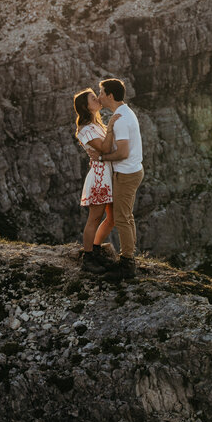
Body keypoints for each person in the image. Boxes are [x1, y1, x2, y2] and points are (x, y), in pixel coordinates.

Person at [87, 78, 143, 278]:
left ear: (110, 95)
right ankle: (128, 259)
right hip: (130, 171)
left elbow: (123, 153)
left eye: (101, 92)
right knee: (126, 217)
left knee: (122, 218)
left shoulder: (121, 119)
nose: (99, 96)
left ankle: (127, 264)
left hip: (126, 173)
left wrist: (101, 157)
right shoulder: (123, 114)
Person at [72, 88, 116, 274]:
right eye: (93, 98)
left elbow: (105, 150)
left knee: (112, 218)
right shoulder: (86, 129)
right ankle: (88, 257)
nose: (97, 98)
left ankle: (95, 249)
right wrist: (114, 125)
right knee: (95, 217)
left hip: (108, 173)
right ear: (85, 106)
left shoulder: (97, 125)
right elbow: (104, 148)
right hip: (100, 177)